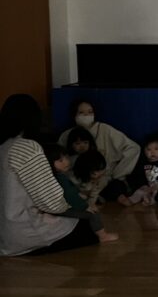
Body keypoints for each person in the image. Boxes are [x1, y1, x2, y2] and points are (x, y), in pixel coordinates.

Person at [1, 94, 116, 255]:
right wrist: (75, 207)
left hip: (3, 231)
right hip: (22, 232)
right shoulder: (28, 148)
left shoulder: (3, 147)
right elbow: (50, 200)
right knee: (87, 225)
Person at [59, 98, 140, 202]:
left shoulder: (105, 129)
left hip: (104, 179)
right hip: (78, 180)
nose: (86, 116)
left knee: (114, 188)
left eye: (90, 112)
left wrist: (117, 175)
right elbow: (58, 157)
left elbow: (133, 148)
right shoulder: (67, 135)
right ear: (74, 114)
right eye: (81, 113)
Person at [120, 133, 158, 206]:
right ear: (144, 151)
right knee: (139, 192)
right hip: (146, 186)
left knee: (157, 193)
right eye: (148, 149)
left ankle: (152, 200)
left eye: (156, 149)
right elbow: (139, 175)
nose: (152, 152)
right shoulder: (143, 162)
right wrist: (143, 185)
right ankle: (131, 200)